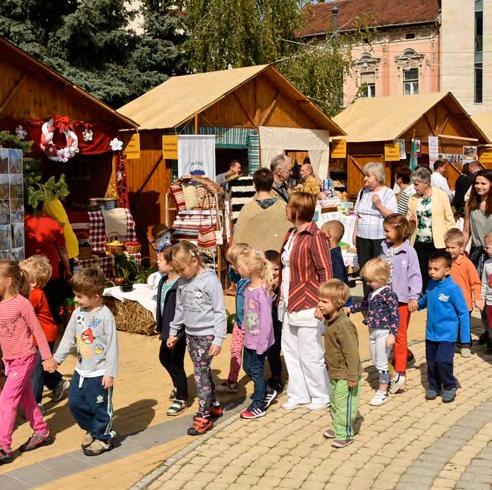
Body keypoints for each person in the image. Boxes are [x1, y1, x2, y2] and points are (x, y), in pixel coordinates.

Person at [53, 266, 119, 456]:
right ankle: (92, 429)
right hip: (81, 371)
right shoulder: (77, 313)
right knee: (75, 403)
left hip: (100, 373)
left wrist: (110, 372)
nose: (76, 300)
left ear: (96, 295)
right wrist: (57, 359)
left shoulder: (105, 316)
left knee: (99, 407)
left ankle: (103, 438)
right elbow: (68, 338)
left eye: (80, 296)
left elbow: (113, 346)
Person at [279, 192, 332, 411]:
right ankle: (298, 393)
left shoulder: (315, 236)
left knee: (310, 352)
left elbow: (325, 270)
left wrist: (324, 303)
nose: (285, 209)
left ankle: (320, 395)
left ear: (298, 210)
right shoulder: (290, 234)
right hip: (287, 300)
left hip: (308, 300)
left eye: (289, 205)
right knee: (290, 351)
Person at [0, 260, 56, 464]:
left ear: (8, 281)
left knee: (6, 399)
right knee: (26, 398)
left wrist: (48, 357)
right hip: (10, 360)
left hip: (25, 358)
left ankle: (3, 446)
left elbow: (37, 331)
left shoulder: (22, 303)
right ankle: (41, 432)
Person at [168, 241, 227, 436]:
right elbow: (179, 308)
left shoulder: (210, 281)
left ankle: (203, 416)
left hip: (207, 335)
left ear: (194, 261)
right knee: (203, 371)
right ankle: (214, 405)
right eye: (176, 270)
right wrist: (174, 331)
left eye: (182, 269)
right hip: (191, 335)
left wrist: (218, 339)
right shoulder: (182, 282)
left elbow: (219, 312)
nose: (180, 273)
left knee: (200, 374)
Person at [417, 251, 470, 403]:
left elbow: (463, 314)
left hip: (447, 335)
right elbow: (426, 298)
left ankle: (449, 386)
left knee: (443, 361)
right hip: (431, 334)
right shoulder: (432, 284)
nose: (431, 272)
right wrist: (416, 305)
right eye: (429, 268)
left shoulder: (453, 289)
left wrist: (465, 339)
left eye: (435, 269)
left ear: (447, 271)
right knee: (432, 361)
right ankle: (433, 386)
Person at [348, 258, 399, 406]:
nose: (368, 284)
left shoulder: (389, 294)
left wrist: (392, 334)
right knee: (376, 361)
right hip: (373, 331)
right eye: (367, 281)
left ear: (382, 279)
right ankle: (395, 377)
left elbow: (395, 316)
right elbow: (364, 304)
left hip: (384, 332)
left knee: (382, 363)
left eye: (371, 281)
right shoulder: (372, 292)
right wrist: (350, 308)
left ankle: (383, 391)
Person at [317, 279, 361, 449]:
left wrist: (352, 375)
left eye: (324, 302)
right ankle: (337, 427)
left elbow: (351, 352)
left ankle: (346, 433)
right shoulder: (329, 319)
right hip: (334, 371)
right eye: (319, 300)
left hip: (346, 373)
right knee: (335, 402)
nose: (319, 305)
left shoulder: (344, 325)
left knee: (345, 405)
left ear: (338, 303)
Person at [380, 214, 422, 394]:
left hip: (402, 302)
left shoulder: (409, 252)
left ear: (399, 230)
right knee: (383, 335)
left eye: (388, 230)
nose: (385, 234)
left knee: (399, 336)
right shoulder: (384, 248)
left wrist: (414, 296)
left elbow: (415, 276)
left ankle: (400, 373)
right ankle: (387, 369)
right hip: (384, 300)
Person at [20, 256, 69, 407]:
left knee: (36, 371)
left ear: (33, 282)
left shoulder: (34, 295)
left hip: (43, 337)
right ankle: (57, 382)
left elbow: (21, 313)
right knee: (41, 366)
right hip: (44, 335)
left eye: (22, 277)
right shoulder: (32, 293)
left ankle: (35, 403)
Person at [237, 249, 277, 419]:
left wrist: (262, 343)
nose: (237, 269)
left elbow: (267, 321)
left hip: (260, 341)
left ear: (249, 268)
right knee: (248, 367)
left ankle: (259, 404)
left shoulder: (262, 291)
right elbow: (249, 312)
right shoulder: (248, 288)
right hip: (249, 339)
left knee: (257, 371)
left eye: (239, 267)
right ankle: (267, 390)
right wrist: (244, 328)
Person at [353, 162, 398, 296]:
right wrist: (355, 233)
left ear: (377, 177)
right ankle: (367, 300)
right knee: (365, 269)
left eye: (368, 176)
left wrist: (379, 205)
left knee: (378, 270)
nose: (365, 178)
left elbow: (393, 216)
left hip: (380, 237)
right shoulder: (362, 192)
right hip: (362, 237)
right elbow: (357, 215)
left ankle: (380, 300)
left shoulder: (388, 193)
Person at [407, 166, 455, 291]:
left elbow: (449, 219)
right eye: (414, 184)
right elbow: (408, 219)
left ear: (426, 183)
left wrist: (452, 239)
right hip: (418, 241)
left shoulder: (441, 195)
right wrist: (410, 220)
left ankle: (438, 293)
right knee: (422, 270)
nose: (414, 187)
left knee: (438, 270)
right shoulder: (413, 198)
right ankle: (424, 294)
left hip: (438, 241)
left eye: (417, 184)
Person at [154, 246, 188, 416]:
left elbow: (181, 312)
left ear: (171, 264)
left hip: (177, 333)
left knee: (176, 363)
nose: (157, 262)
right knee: (163, 358)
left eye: (160, 260)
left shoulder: (180, 286)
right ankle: (177, 384)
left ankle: (182, 397)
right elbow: (161, 306)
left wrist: (177, 333)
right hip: (166, 330)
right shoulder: (163, 281)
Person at [24, 206, 72, 324]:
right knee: (51, 303)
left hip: (29, 270)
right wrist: (67, 269)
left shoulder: (24, 222)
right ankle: (52, 325)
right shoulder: (53, 223)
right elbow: (62, 249)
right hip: (50, 270)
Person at [216, 243, 253, 393]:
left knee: (252, 357)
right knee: (235, 350)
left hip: (251, 325)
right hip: (239, 323)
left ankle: (260, 379)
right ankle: (232, 380)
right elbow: (233, 278)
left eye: (233, 263)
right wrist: (232, 268)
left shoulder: (252, 280)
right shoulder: (241, 277)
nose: (232, 267)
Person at [232, 168, 291, 252]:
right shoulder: (284, 208)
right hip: (279, 260)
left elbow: (237, 242)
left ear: (254, 185)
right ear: (271, 185)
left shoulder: (247, 209)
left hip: (254, 261)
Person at [444, 228, 482, 358]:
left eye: (452, 247)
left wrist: (477, 298)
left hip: (465, 302)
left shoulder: (467, 263)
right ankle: (452, 343)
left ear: (461, 248)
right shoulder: (446, 262)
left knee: (464, 325)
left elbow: (475, 283)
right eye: (447, 247)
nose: (449, 250)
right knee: (451, 323)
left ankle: (465, 345)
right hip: (449, 302)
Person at [265, 250, 283, 393]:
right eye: (270, 270)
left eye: (276, 269)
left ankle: (278, 377)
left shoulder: (283, 282)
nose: (274, 273)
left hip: (280, 319)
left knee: (280, 346)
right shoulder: (263, 283)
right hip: (269, 321)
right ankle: (276, 377)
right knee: (273, 350)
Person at [321, 220, 349, 285]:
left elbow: (338, 278)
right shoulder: (334, 252)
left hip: (334, 292)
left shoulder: (334, 256)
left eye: (321, 232)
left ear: (328, 234)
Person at [481, 232, 492, 351]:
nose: (484, 249)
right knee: (490, 325)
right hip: (489, 303)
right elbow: (484, 283)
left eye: (487, 247)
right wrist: (482, 298)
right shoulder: (487, 264)